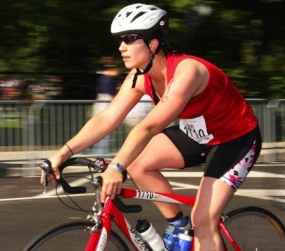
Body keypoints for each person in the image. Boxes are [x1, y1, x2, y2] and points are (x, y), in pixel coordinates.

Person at [42, 3, 262, 250]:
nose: (121, 47)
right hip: (196, 135)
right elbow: (107, 117)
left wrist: (116, 167)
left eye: (129, 39)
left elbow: (149, 127)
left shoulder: (187, 71)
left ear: (153, 43)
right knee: (137, 163)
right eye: (120, 40)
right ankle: (178, 225)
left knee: (202, 221)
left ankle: (196, 229)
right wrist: (63, 153)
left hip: (235, 141)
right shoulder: (138, 76)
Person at [91, 56, 119, 154]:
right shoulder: (109, 79)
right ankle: (102, 151)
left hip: (99, 102)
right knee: (106, 127)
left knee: (99, 126)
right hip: (106, 103)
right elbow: (111, 95)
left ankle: (100, 150)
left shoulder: (102, 76)